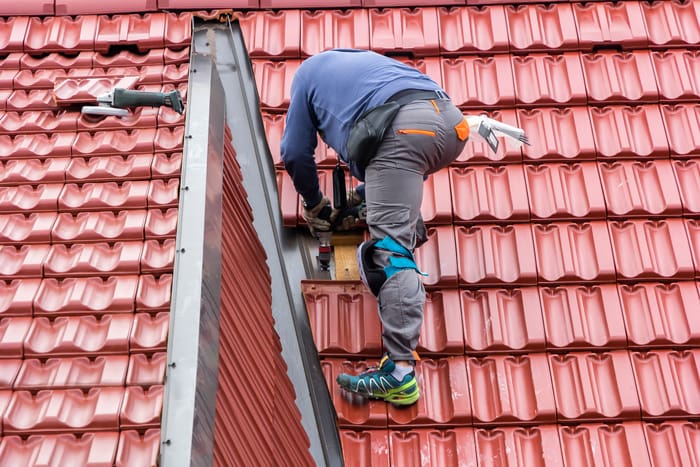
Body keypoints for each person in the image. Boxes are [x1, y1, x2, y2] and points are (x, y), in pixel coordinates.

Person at [281, 49, 470, 406]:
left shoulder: (305, 77)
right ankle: (397, 219)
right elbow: (394, 153)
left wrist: (315, 203)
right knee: (397, 174)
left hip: (405, 129)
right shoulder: (356, 67)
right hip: (449, 122)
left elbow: (293, 152)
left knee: (390, 252)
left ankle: (399, 374)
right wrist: (365, 197)